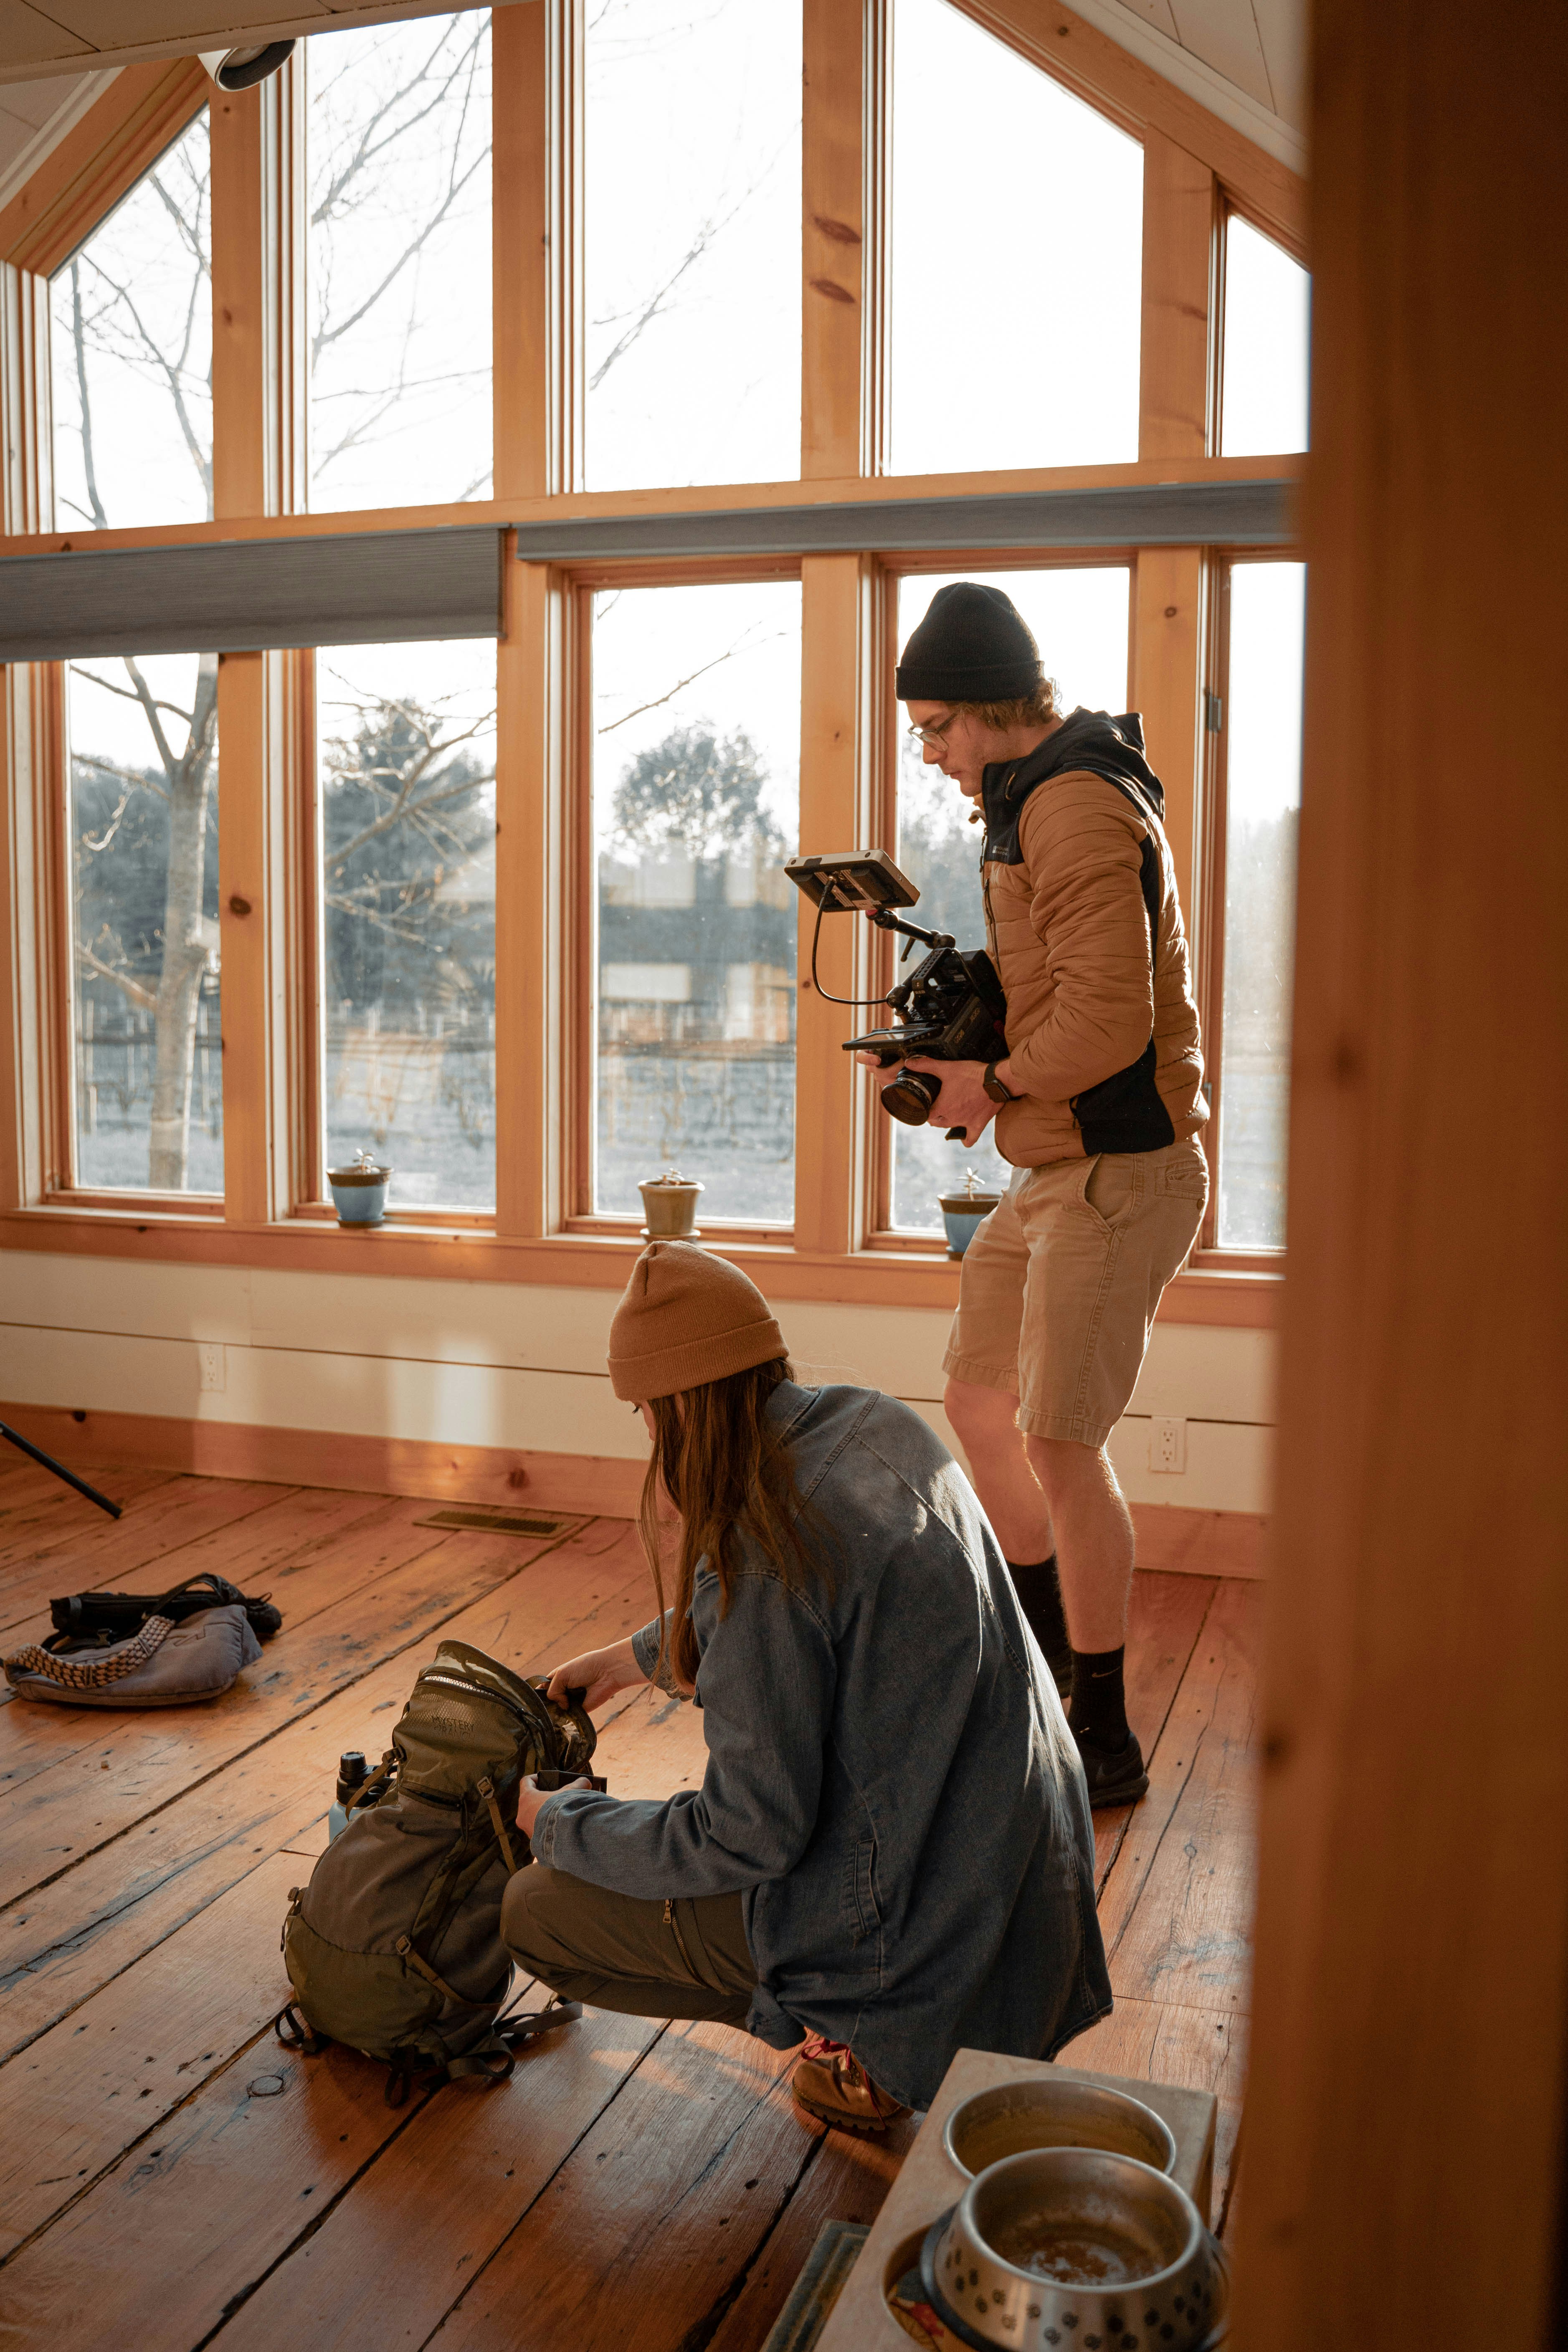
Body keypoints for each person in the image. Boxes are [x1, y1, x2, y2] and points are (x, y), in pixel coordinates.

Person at [503, 1239, 1110, 2129]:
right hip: (1030, 1869)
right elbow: (833, 1622)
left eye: (643, 1411)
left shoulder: (764, 1552)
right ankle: (863, 2021)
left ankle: (858, 2034)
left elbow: (744, 1833)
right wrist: (631, 1659)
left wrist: (553, 1821)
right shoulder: (872, 1421)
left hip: (926, 1938)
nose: (644, 1432)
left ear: (676, 1408)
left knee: (534, 1908)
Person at [879, 581, 1209, 1809]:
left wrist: (991, 1078)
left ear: (982, 711)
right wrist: (978, 1056)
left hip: (1116, 1166)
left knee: (1058, 1442)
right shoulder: (1030, 799)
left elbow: (1110, 1022)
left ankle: (1103, 1727)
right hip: (1052, 1158)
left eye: (932, 730)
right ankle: (1041, 1666)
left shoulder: (1068, 806)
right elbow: (1065, 987)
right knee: (976, 1401)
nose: (931, 757)